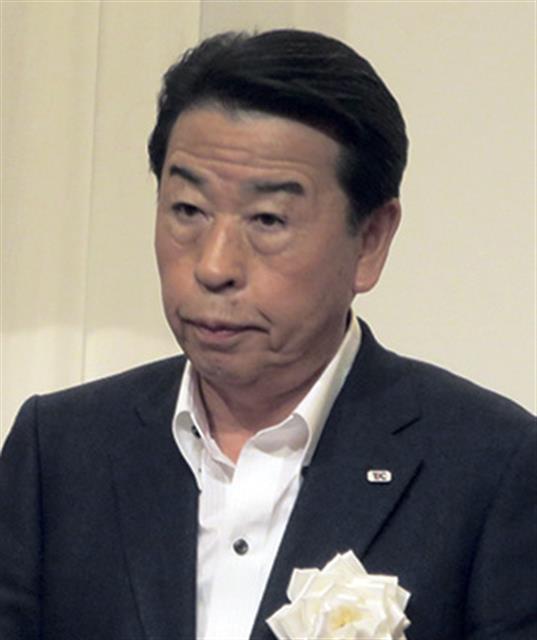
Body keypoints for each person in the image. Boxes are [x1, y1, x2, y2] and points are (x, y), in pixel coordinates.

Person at [0, 29, 535, 640]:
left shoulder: (490, 468)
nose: (214, 266)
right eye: (187, 210)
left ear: (370, 241)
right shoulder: (60, 451)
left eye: (268, 220)